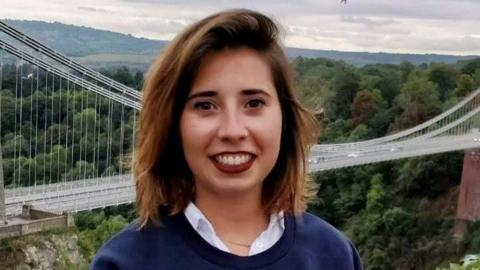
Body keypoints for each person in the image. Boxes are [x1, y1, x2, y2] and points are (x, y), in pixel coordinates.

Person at [91, 9, 363, 270]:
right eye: (205, 105)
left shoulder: (333, 254)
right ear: (174, 125)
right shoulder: (124, 263)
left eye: (254, 103)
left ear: (285, 118)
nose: (233, 131)